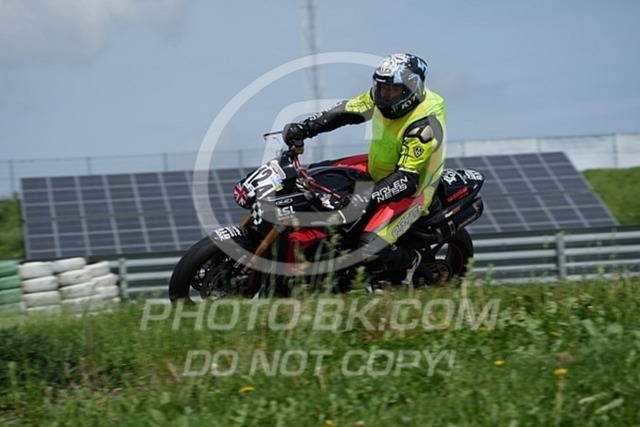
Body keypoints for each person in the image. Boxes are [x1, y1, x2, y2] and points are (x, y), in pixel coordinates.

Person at [282, 53, 446, 285]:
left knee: (369, 246)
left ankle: (412, 262)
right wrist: (306, 127)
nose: (385, 95)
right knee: (316, 174)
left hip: (414, 191)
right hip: (377, 168)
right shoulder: (379, 97)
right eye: (382, 88)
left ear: (412, 89)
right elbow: (346, 111)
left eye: (393, 90)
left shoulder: (424, 124)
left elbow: (406, 179)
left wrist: (362, 199)